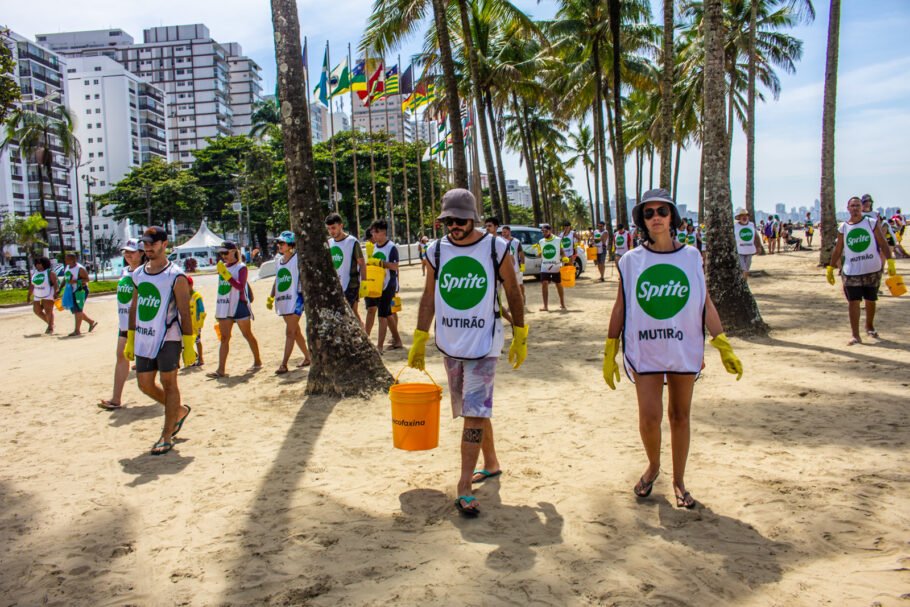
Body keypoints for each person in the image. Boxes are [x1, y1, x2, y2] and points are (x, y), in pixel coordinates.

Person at [603, 188, 744, 509]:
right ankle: (653, 467)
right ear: (642, 220)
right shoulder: (629, 261)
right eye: (649, 213)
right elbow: (620, 306)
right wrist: (610, 348)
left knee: (680, 416)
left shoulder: (692, 256)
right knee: (650, 418)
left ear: (672, 217)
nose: (655, 218)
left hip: (683, 347)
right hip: (645, 349)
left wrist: (722, 343)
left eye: (661, 212)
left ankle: (679, 481)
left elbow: (703, 301)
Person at [407, 188, 528, 517]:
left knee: (474, 411)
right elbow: (430, 295)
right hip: (451, 341)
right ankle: (490, 462)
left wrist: (520, 331)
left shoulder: (495, 247)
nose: (454, 226)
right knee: (471, 408)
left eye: (460, 220)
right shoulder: (436, 250)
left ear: (473, 218)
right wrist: (419, 336)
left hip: (483, 343)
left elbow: (514, 291)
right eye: (448, 221)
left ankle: (463, 484)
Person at [123, 226, 195, 455]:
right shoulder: (138, 274)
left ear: (165, 244)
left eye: (152, 243)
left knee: (168, 382)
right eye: (145, 243)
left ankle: (166, 436)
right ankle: (179, 411)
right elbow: (134, 306)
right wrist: (130, 337)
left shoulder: (176, 276)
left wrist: (189, 344)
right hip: (144, 336)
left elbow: (185, 311)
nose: (148, 247)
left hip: (168, 337)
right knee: (144, 384)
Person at [826, 196, 896, 345]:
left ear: (862, 208)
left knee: (871, 300)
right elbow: (838, 249)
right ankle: (855, 335)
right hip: (851, 270)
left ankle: (869, 325)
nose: (855, 208)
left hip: (872, 268)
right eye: (853, 206)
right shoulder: (843, 227)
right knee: (853, 301)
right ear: (848, 208)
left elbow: (883, 243)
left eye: (858, 205)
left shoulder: (870, 223)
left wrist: (890, 261)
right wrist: (830, 268)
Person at [99, 239, 145, 410]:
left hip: (142, 325)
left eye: (131, 252)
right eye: (125, 252)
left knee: (151, 363)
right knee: (121, 356)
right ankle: (116, 398)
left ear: (141, 253)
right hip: (125, 324)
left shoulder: (144, 273)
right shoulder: (125, 272)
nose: (128, 255)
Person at [208, 240, 262, 378]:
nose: (223, 256)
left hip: (239, 305)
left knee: (247, 334)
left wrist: (226, 275)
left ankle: (257, 361)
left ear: (233, 252)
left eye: (225, 253)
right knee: (224, 338)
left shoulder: (241, 267)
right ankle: (220, 369)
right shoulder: (223, 267)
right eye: (221, 253)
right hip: (224, 306)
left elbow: (240, 286)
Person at [265, 230, 311, 374]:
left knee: (290, 332)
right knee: (295, 331)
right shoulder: (278, 260)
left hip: (296, 298)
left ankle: (284, 364)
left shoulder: (298, 258)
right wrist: (271, 296)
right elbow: (278, 279)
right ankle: (308, 357)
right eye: (278, 243)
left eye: (282, 243)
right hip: (283, 299)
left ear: (290, 244)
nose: (279, 245)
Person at [364, 219, 403, 353]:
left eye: (376, 232)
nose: (373, 235)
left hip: (389, 285)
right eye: (372, 232)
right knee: (387, 314)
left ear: (383, 232)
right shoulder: (374, 247)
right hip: (377, 285)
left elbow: (394, 266)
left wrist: (380, 262)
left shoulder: (391, 247)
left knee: (382, 316)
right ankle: (397, 340)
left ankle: (379, 347)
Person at [325, 213, 367, 322]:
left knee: (352, 312)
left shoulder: (352, 241)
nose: (331, 231)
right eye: (328, 229)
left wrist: (365, 283)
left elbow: (362, 263)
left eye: (333, 228)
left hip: (351, 284)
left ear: (341, 225)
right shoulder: (329, 243)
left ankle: (363, 337)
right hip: (336, 285)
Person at [58, 252, 98, 336]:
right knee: (75, 310)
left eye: (67, 258)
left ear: (73, 260)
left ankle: (77, 330)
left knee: (78, 309)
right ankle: (91, 322)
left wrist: (75, 281)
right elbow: (66, 278)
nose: (65, 260)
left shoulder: (80, 269)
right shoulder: (67, 267)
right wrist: (60, 288)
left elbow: (87, 279)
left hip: (80, 290)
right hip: (71, 290)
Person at [537, 223, 566, 311]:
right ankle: (545, 306)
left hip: (555, 266)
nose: (544, 233)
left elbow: (562, 251)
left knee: (558, 284)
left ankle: (562, 303)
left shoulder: (558, 240)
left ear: (550, 230)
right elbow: (540, 254)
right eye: (543, 232)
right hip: (545, 266)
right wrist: (538, 252)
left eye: (546, 231)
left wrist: (564, 257)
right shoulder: (541, 241)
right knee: (544, 284)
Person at [27, 256, 58, 335]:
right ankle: (50, 323)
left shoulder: (50, 273)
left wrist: (55, 292)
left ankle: (50, 327)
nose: (37, 265)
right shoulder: (35, 273)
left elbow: (55, 283)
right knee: (37, 311)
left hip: (48, 294)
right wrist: (29, 295)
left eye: (39, 264)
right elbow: (32, 285)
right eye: (36, 264)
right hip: (37, 294)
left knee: (48, 311)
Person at [501, 225, 526, 305]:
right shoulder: (501, 242)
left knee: (520, 285)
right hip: (507, 269)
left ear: (509, 231)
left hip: (516, 268)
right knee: (509, 287)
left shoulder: (516, 241)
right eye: (502, 232)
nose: (503, 234)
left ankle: (523, 299)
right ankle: (512, 304)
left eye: (505, 232)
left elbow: (521, 254)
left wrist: (522, 265)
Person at [187, 275, 206, 366]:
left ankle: (201, 359)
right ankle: (193, 358)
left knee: (197, 341)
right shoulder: (183, 296)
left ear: (191, 285)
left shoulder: (197, 296)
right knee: (187, 342)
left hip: (196, 323)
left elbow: (202, 310)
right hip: (187, 323)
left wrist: (200, 322)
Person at [734, 208, 757, 280]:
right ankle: (743, 282)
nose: (744, 217)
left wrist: (758, 246)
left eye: (746, 216)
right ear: (739, 217)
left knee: (747, 267)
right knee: (743, 267)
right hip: (739, 250)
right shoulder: (735, 226)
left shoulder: (751, 225)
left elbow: (756, 235)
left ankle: (745, 281)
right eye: (742, 216)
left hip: (749, 250)